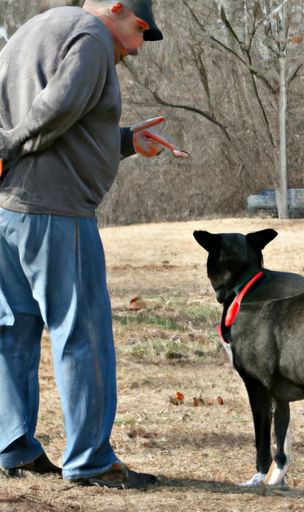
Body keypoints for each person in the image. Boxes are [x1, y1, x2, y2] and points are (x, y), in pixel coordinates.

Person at [0, 0, 184, 488]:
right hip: (56, 213)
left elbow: (59, 118)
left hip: (8, 212)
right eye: (140, 27)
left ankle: (14, 448)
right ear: (115, 7)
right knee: (83, 335)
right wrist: (11, 144)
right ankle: (91, 462)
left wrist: (123, 140)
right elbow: (56, 107)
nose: (139, 44)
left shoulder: (29, 32)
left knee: (12, 331)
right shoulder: (92, 35)